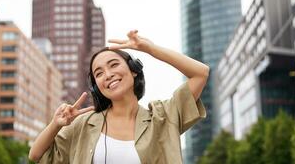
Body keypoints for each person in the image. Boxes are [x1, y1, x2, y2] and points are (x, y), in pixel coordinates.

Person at [28, 30, 209, 163]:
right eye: (98, 73)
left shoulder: (162, 117)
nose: (107, 74)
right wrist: (55, 124)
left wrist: (150, 49)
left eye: (114, 65)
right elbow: (36, 155)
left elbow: (201, 73)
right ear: (96, 86)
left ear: (134, 70)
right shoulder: (84, 124)